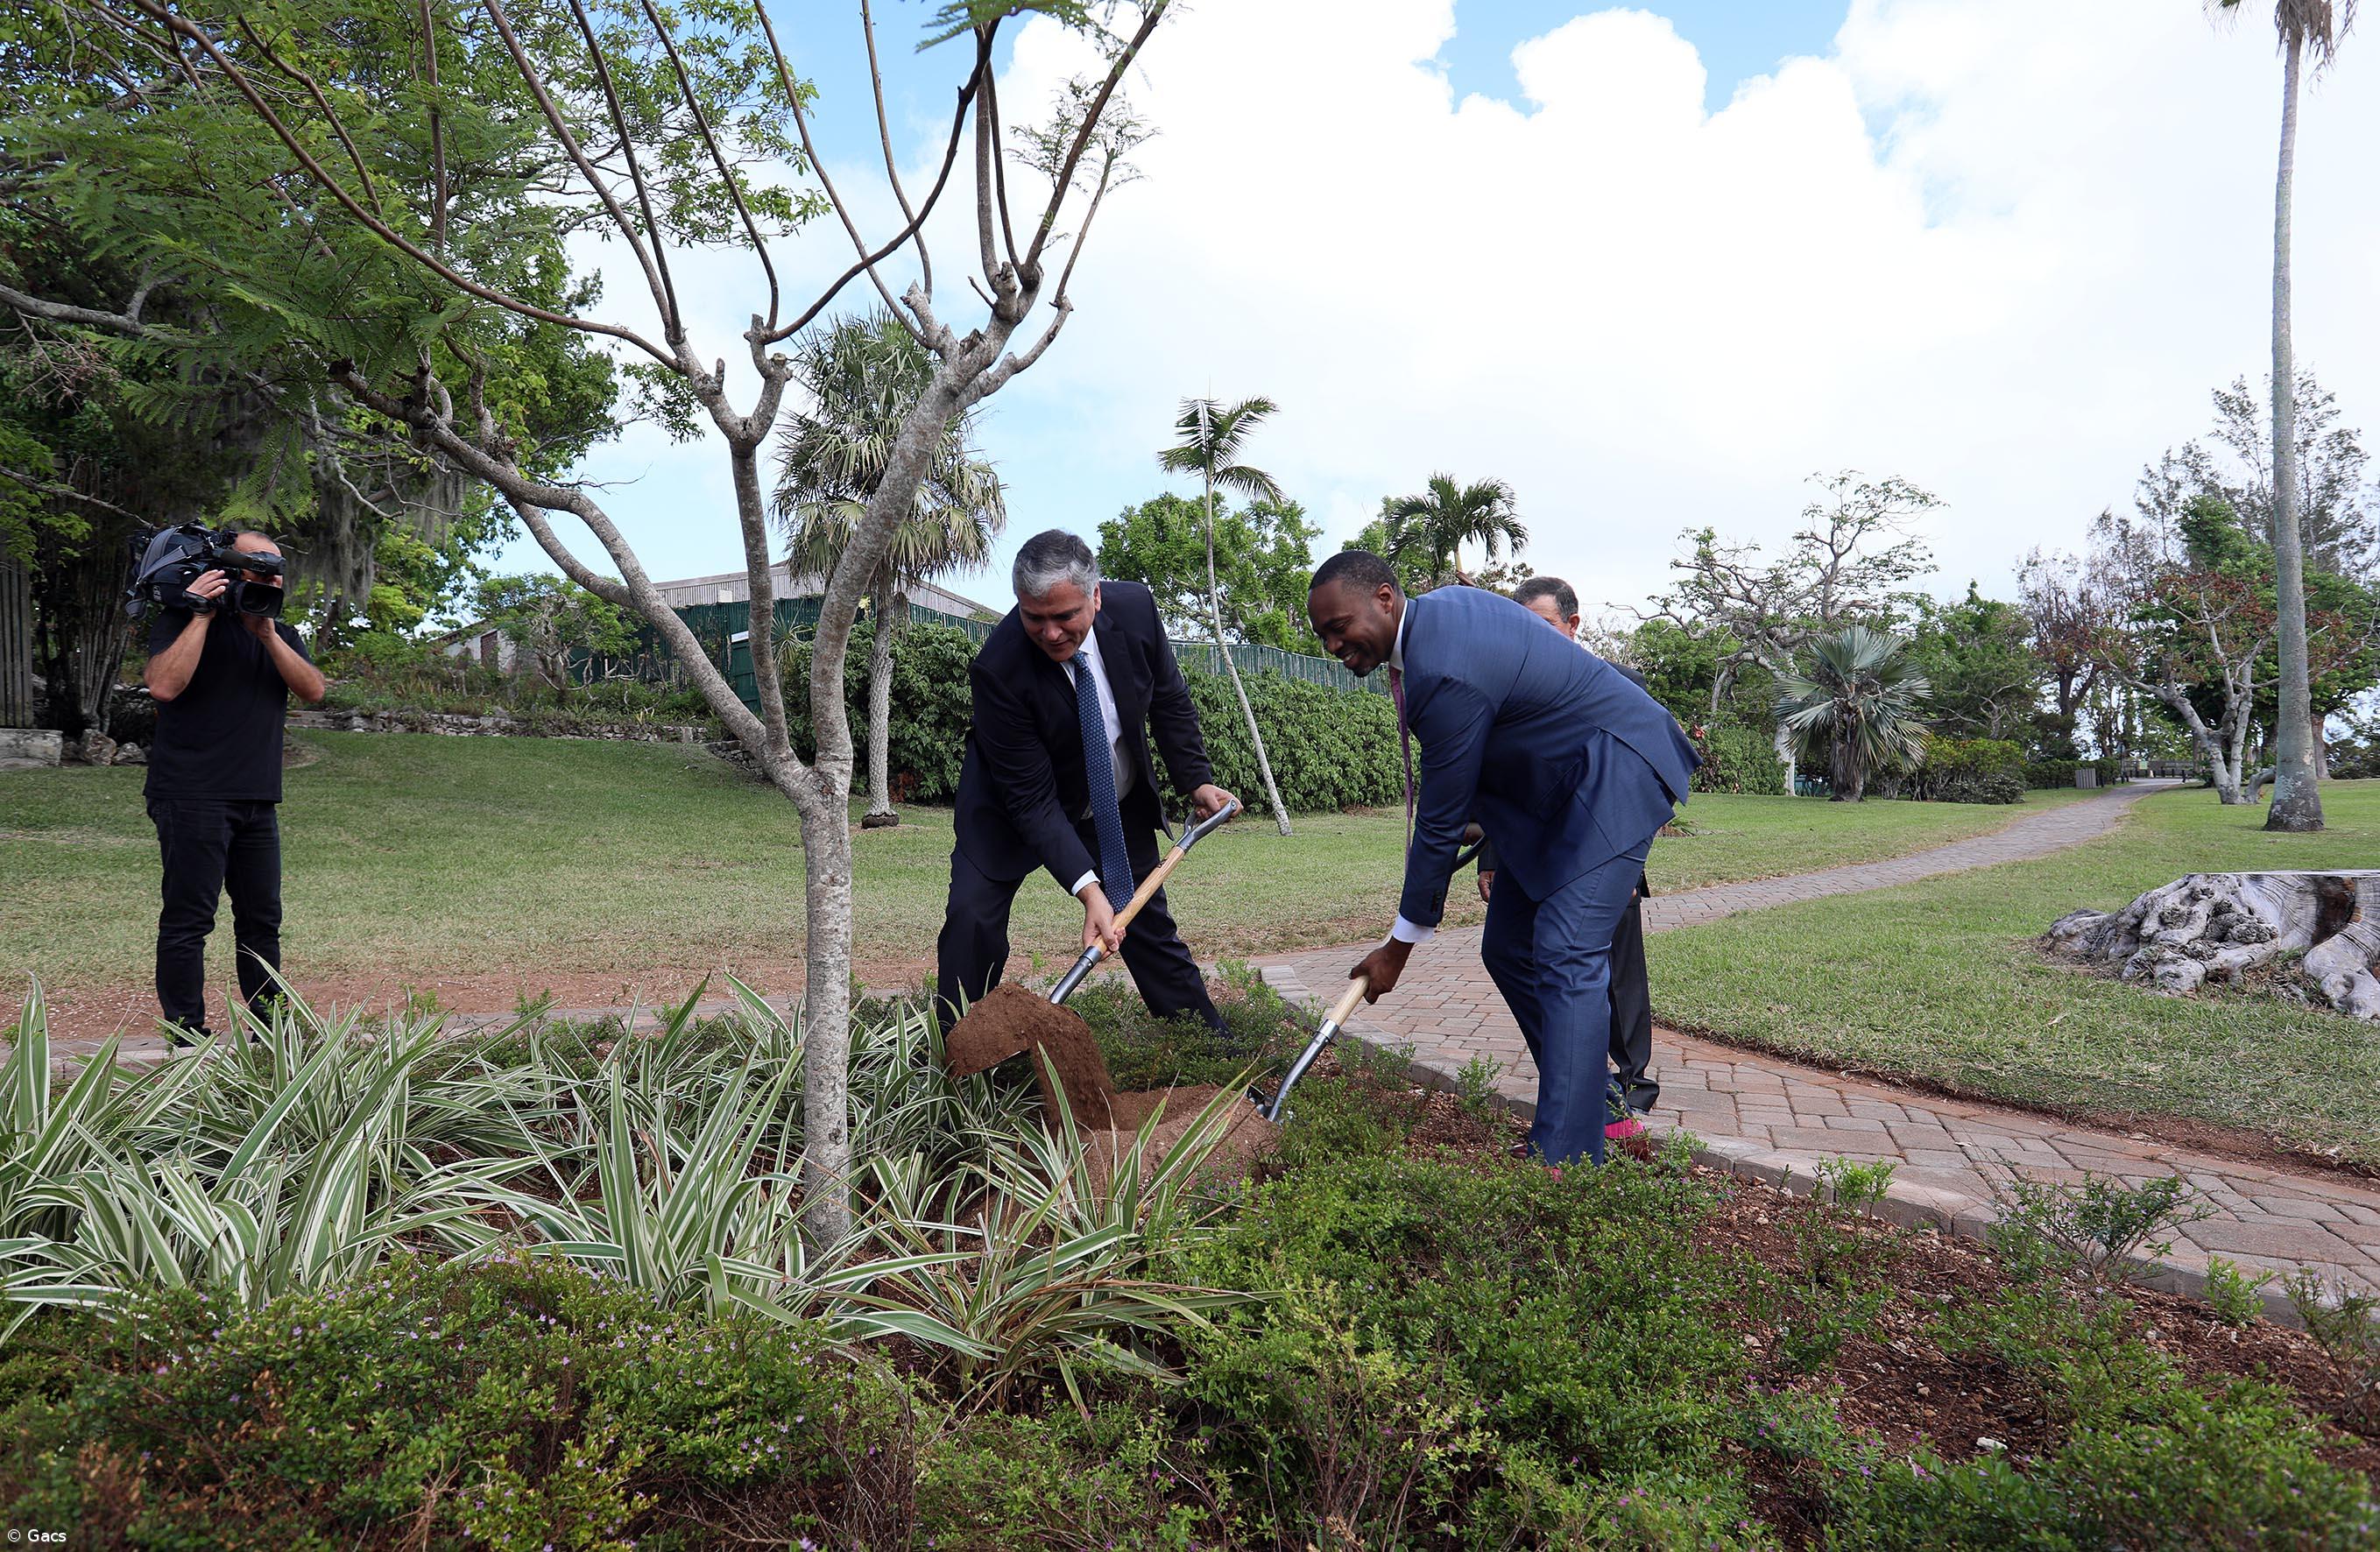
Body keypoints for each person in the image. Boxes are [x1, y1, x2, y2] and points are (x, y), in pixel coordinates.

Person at [1307, 552, 1697, 1167]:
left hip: (1610, 777)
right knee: (1509, 948)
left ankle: (1566, 1164)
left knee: (1568, 953)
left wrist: (1396, 950)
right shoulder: (1437, 615)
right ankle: (1597, 1110)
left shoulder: (1441, 668)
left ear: (1384, 598)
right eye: (1322, 634)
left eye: (1338, 626)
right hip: (1552, 794)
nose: (1333, 644)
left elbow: (1437, 823)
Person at [936, 529, 1239, 1033]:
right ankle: (960, 1058)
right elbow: (1031, 800)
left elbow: (1167, 698)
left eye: (1064, 616)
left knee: (1146, 926)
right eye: (1034, 617)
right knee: (972, 922)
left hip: (1107, 802)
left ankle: (1211, 1051)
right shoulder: (999, 668)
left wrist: (1196, 782)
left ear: (1095, 597)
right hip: (1009, 811)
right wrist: (1088, 890)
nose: (1050, 633)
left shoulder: (1137, 609)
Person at [1471, 575, 1664, 1135]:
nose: (1531, 637)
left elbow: (1641, 775)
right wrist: (1489, 859)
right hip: (1537, 852)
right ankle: (1597, 1098)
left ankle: (1632, 1091)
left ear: (1572, 627)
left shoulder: (1619, 684)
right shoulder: (1515, 691)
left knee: (1614, 974)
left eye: (1544, 625)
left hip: (1606, 851)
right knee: (1518, 956)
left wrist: (1632, 865)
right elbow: (1507, 784)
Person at [142, 530, 326, 1042]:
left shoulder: (281, 634)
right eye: (256, 568)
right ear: (229, 570)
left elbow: (312, 690)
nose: (268, 579)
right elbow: (163, 685)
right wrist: (201, 615)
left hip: (256, 799)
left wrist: (266, 632)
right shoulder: (183, 620)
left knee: (262, 921)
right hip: (191, 793)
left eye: (275, 571)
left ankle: (272, 1033)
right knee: (189, 921)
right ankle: (187, 1040)